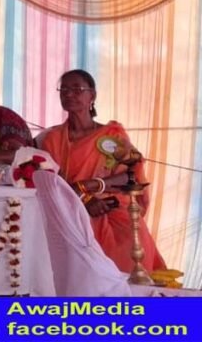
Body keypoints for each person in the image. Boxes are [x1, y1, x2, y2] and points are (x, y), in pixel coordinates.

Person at [38, 69, 167, 273]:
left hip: (113, 207)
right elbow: (54, 182)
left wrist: (94, 185)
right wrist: (86, 200)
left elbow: (132, 175)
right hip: (72, 208)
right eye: (64, 90)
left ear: (92, 95)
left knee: (131, 244)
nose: (69, 94)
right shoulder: (52, 139)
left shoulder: (112, 134)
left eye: (77, 89)